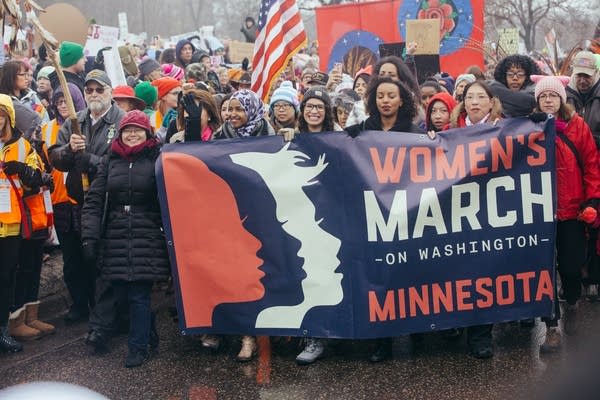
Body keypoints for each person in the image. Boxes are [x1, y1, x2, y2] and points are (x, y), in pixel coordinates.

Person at [81, 110, 168, 368]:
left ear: (147, 133)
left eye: (137, 129)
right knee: (121, 293)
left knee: (139, 294)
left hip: (147, 233)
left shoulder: (158, 158)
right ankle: (148, 328)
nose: (132, 134)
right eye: (127, 129)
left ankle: (137, 347)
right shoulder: (110, 160)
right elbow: (94, 200)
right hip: (116, 233)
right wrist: (89, 236)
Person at [345, 76, 423, 361]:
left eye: (391, 95)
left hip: (407, 212)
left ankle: (418, 331)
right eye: (380, 96)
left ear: (401, 100)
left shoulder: (414, 133)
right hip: (374, 215)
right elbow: (332, 144)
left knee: (409, 275)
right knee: (379, 278)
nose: (385, 101)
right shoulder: (362, 130)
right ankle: (382, 342)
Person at [48, 70, 125, 347]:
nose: (93, 94)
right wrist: (69, 150)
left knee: (108, 262)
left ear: (110, 92)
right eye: (89, 90)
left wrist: (88, 159)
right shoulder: (75, 121)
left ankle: (112, 319)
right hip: (81, 203)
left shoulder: (122, 121)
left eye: (98, 89)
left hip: (110, 202)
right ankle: (95, 314)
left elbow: (120, 161)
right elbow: (55, 156)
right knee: (85, 259)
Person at [530, 75, 600, 352]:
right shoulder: (528, 127)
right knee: (543, 272)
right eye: (543, 96)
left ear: (562, 99)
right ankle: (552, 328)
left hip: (572, 212)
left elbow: (592, 165)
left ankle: (572, 301)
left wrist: (592, 201)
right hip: (539, 214)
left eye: (553, 96)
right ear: (537, 100)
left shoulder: (577, 127)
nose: (548, 100)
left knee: (571, 268)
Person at [214, 89, 273, 361]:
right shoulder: (217, 138)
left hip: (264, 215)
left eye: (240, 109)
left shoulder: (269, 136)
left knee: (266, 273)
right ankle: (246, 336)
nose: (234, 115)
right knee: (240, 276)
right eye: (230, 109)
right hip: (230, 217)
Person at [9, 103, 55, 341]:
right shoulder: (18, 150)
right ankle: (16, 319)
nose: (38, 132)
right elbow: (27, 183)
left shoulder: (35, 149)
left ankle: (31, 315)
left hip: (38, 217)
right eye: (34, 128)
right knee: (23, 268)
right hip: (23, 217)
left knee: (34, 266)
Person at [0, 94, 42, 353]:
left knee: (5, 279)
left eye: (0, 115)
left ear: (8, 117)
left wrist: (22, 170)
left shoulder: (23, 145)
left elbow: (37, 179)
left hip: (11, 223)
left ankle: (2, 330)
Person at [0, 60, 50, 125]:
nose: (27, 78)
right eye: (22, 75)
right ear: (10, 77)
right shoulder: (3, 101)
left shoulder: (31, 98)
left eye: (27, 74)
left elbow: (43, 116)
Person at [566, 51, 600, 143]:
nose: (582, 81)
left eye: (587, 76)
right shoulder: (564, 94)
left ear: (596, 72)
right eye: (579, 75)